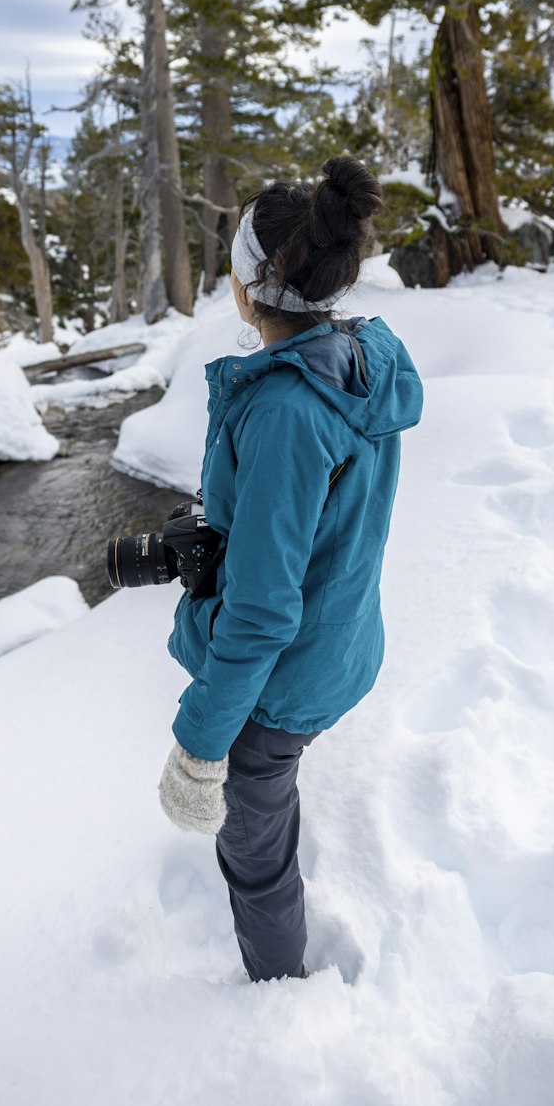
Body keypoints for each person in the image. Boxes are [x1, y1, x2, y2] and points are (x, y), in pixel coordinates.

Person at [157, 154, 424, 984]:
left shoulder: (284, 409)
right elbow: (316, 522)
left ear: (247, 288)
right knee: (268, 788)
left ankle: (276, 994)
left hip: (282, 681)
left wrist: (201, 749)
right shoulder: (353, 364)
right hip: (339, 647)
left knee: (254, 849)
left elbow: (264, 613)